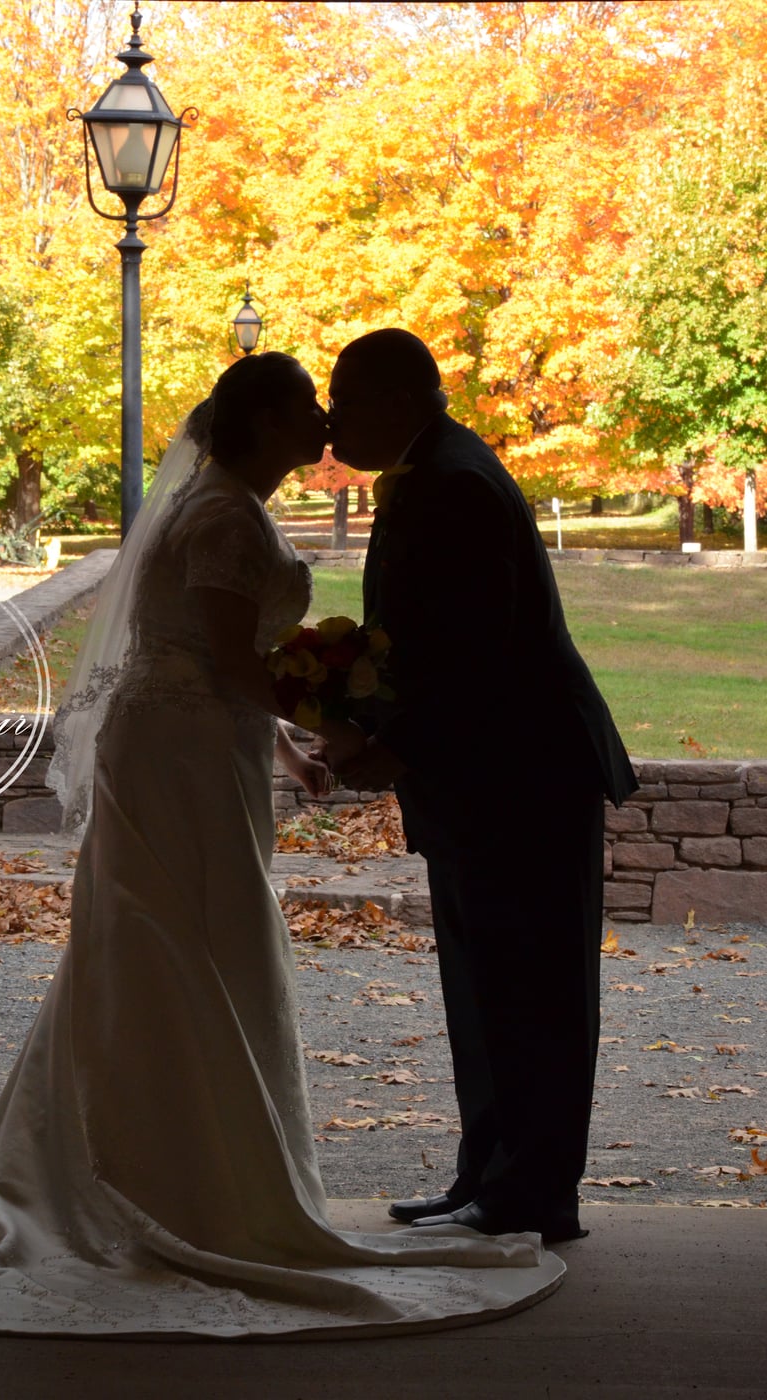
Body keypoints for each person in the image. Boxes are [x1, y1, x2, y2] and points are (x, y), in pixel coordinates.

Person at [0, 352, 564, 1339]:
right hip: (180, 752)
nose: (324, 422)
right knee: (185, 933)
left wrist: (283, 732)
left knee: (179, 932)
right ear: (266, 423)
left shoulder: (217, 502)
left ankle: (167, 1153)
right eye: (309, 408)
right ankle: (180, 1178)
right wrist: (339, 730)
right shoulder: (224, 513)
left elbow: (203, 650)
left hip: (192, 739)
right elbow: (228, 657)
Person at [321, 329, 637, 1245]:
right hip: (490, 780)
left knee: (531, 988)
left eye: (343, 399)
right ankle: (493, 1178)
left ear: (396, 400)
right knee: (490, 985)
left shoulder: (453, 484)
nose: (333, 420)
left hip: (522, 780)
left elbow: (475, 652)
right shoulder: (437, 471)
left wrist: (396, 746)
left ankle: (532, 1191)